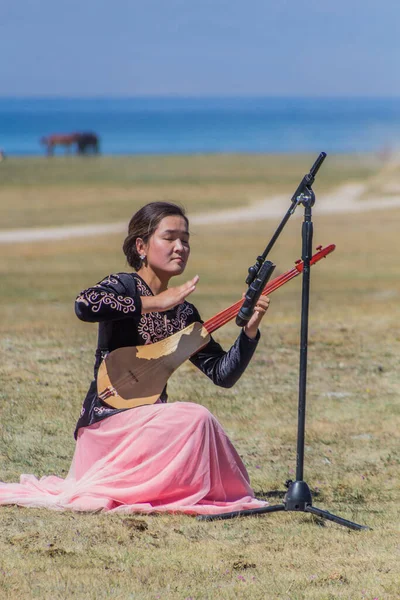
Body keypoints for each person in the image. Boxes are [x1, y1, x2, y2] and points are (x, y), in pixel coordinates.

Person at [0, 202, 270, 515]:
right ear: (141, 246)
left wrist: (249, 334)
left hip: (150, 428)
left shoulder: (185, 313)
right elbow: (84, 305)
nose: (180, 247)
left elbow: (222, 373)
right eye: (169, 238)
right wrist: (153, 303)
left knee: (196, 420)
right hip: (107, 427)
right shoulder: (123, 286)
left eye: (185, 240)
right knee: (196, 418)